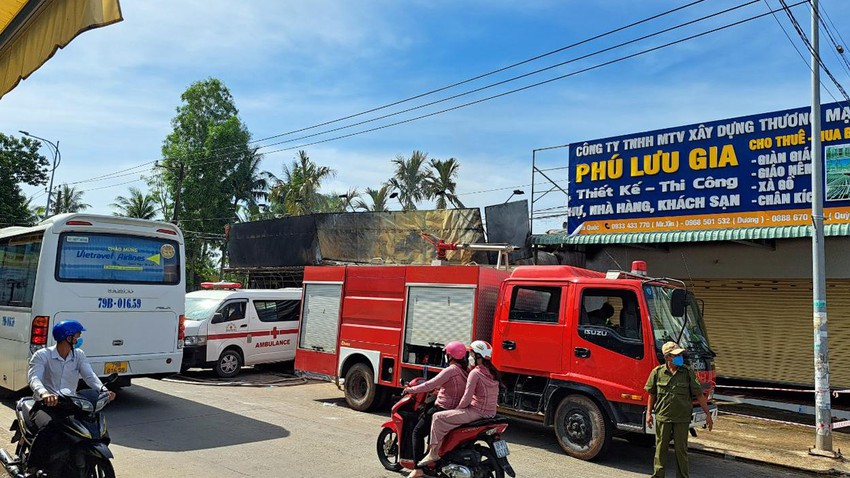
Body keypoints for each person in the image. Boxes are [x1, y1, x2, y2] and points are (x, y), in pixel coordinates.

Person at [27, 320, 116, 471]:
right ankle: (33, 467)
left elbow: (89, 376)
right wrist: (44, 394)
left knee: (94, 423)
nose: (78, 339)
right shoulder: (43, 355)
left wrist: (103, 390)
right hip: (47, 405)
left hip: (71, 403)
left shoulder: (78, 355)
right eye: (76, 336)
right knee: (48, 428)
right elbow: (34, 378)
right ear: (67, 338)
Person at [418, 340, 500, 468]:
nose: (470, 357)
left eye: (472, 354)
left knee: (438, 417)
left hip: (476, 412)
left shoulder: (475, 373)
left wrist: (457, 410)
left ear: (478, 356)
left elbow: (467, 397)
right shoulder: (492, 372)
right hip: (490, 413)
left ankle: (433, 452)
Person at [644, 341, 713, 478]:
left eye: (680, 354)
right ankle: (658, 476)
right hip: (663, 417)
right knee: (660, 449)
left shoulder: (687, 372)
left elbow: (699, 394)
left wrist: (708, 414)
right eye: (676, 355)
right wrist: (649, 414)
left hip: (682, 418)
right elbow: (652, 394)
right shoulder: (657, 373)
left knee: (681, 451)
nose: (680, 357)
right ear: (668, 357)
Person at [402, 341, 469, 478]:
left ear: (449, 356)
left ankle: (418, 468)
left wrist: (410, 389)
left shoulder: (450, 370)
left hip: (442, 409)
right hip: (457, 410)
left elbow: (429, 384)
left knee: (417, 432)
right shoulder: (465, 370)